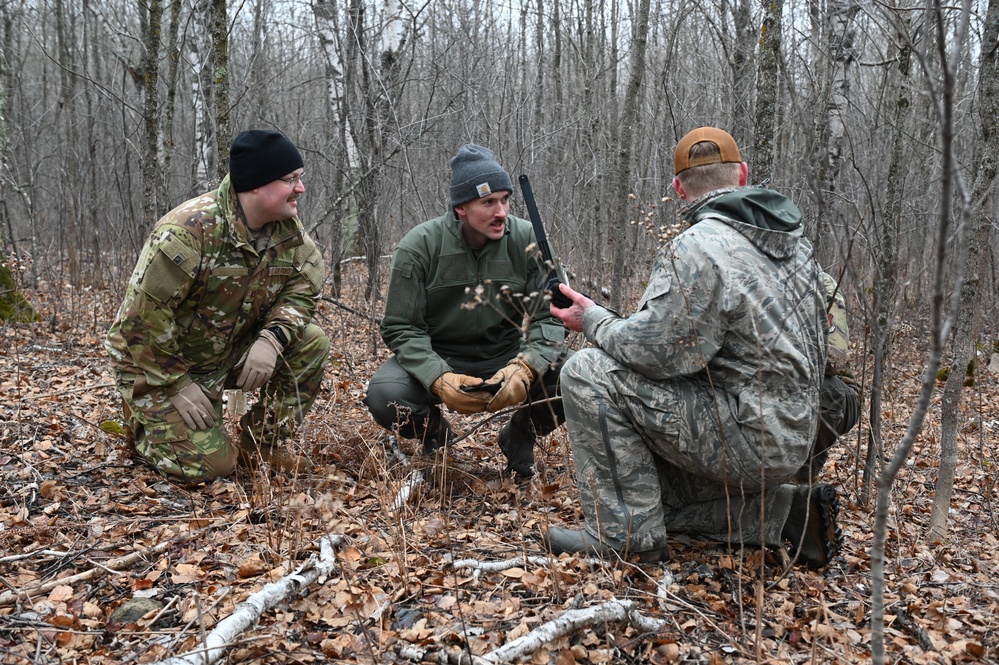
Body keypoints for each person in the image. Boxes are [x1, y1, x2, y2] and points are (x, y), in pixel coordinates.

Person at [545, 127, 840, 568]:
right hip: (799, 439)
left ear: (678, 188)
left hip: (746, 436)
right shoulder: (799, 248)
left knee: (586, 369)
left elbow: (654, 355)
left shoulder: (696, 247)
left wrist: (592, 319)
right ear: (743, 175)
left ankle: (625, 539)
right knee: (651, 493)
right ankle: (789, 516)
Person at [106, 129, 329, 483]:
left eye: (300, 178)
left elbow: (303, 289)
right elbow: (141, 319)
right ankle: (143, 423)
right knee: (211, 467)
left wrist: (270, 341)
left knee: (312, 340)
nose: (300, 188)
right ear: (257, 185)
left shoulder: (286, 231)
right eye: (291, 179)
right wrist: (176, 384)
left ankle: (264, 445)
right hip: (158, 363)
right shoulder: (188, 231)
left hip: (224, 349)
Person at [363, 144, 568, 478]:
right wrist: (439, 377)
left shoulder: (528, 239)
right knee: (386, 395)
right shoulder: (419, 246)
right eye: (488, 202)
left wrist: (526, 368)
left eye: (505, 199)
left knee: (579, 376)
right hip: (439, 354)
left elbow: (549, 316)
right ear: (461, 208)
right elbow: (401, 327)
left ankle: (519, 437)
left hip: (506, 353)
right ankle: (436, 438)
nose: (501, 212)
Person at [796, 272, 861, 482]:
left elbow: (834, 360)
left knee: (825, 390)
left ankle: (803, 479)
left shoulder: (820, 282)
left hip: (838, 394)